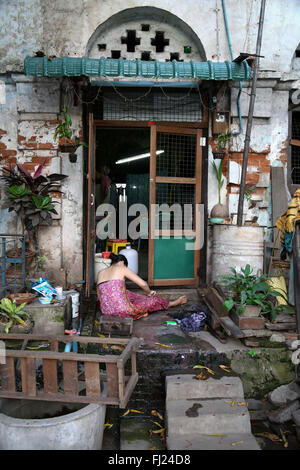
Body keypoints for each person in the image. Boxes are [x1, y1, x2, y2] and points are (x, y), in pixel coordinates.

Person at [97, 253, 187, 320]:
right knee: (154, 300)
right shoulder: (122, 268)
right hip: (123, 311)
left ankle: (140, 310)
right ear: (122, 263)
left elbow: (100, 296)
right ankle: (173, 303)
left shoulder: (100, 273)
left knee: (127, 292)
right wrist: (149, 292)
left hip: (106, 312)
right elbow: (143, 284)